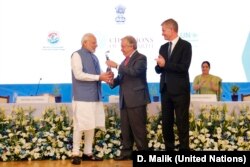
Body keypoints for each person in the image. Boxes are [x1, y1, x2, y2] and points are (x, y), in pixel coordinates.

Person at [71, 33, 113, 165]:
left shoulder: (94, 57)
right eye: (93, 43)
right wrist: (99, 77)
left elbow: (99, 74)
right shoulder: (76, 55)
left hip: (95, 97)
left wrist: (106, 75)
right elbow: (78, 74)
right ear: (85, 43)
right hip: (82, 98)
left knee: (91, 125)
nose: (96, 45)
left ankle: (87, 153)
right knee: (79, 126)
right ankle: (75, 153)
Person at [106, 35, 151, 160]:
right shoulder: (125, 61)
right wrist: (110, 81)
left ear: (132, 46)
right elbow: (121, 79)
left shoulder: (141, 58)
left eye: (123, 46)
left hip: (136, 99)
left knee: (139, 130)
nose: (121, 49)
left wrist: (117, 66)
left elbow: (134, 72)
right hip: (125, 100)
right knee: (125, 129)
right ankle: (127, 152)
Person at [155, 18, 192, 151]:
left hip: (180, 91)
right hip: (165, 90)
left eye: (164, 30)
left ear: (172, 29)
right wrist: (159, 66)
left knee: (182, 122)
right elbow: (159, 69)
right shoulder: (163, 47)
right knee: (166, 122)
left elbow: (183, 68)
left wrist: (165, 64)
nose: (162, 33)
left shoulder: (186, 45)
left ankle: (184, 149)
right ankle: (169, 149)